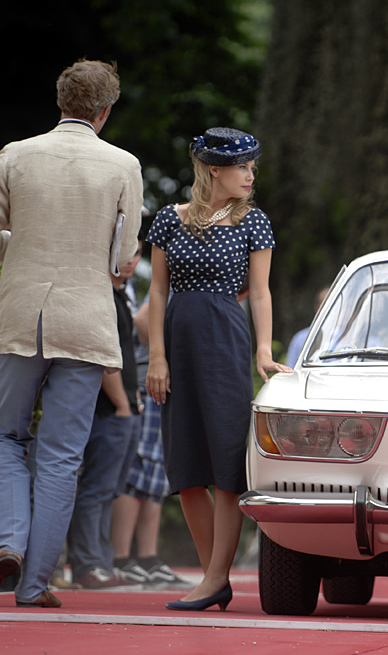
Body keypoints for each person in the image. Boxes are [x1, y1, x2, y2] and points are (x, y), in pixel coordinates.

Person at [0, 59, 143, 608]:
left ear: (60, 101)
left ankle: (9, 540)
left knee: (7, 437)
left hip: (18, 313)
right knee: (62, 456)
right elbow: (124, 257)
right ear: (105, 111)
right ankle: (35, 583)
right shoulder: (122, 164)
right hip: (86, 318)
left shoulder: (15, 154)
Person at [146, 127, 290, 612]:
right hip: (177, 342)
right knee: (186, 468)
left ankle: (212, 579)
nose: (251, 175)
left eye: (252, 166)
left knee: (226, 467)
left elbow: (262, 292)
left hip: (225, 342)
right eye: (242, 167)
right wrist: (157, 356)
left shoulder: (253, 222)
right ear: (213, 169)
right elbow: (157, 293)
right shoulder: (170, 219)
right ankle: (215, 578)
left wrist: (263, 351)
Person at [65, 246, 144, 589]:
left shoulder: (122, 295)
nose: (131, 259)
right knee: (95, 489)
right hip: (108, 409)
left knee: (109, 490)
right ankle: (86, 564)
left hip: (126, 406)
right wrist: (122, 403)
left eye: (137, 253)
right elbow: (102, 355)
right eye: (125, 251)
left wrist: (132, 400)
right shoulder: (102, 297)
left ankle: (102, 561)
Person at [110, 292, 189, 588]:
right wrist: (162, 355)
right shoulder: (170, 282)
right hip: (150, 384)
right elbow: (143, 319)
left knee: (157, 475)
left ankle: (147, 557)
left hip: (165, 390)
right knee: (139, 469)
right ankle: (121, 557)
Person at [286, 286, 331, 367]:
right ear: (317, 307)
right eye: (326, 304)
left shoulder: (349, 337)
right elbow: (291, 370)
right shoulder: (301, 338)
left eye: (334, 305)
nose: (331, 309)